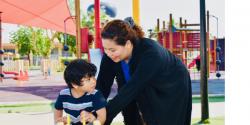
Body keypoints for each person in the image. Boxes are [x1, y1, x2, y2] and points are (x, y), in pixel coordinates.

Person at [96, 17, 192, 125]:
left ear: (128, 44)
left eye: (112, 50)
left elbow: (132, 89)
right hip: (137, 87)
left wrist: (101, 118)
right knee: (130, 112)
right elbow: (102, 85)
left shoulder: (151, 53)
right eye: (105, 49)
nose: (108, 54)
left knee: (163, 118)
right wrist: (93, 110)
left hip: (172, 82)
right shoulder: (110, 55)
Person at [54, 59, 106, 125]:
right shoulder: (63, 95)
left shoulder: (96, 94)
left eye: (93, 77)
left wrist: (93, 119)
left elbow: (102, 118)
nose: (93, 81)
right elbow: (57, 110)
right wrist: (59, 120)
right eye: (88, 79)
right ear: (75, 84)